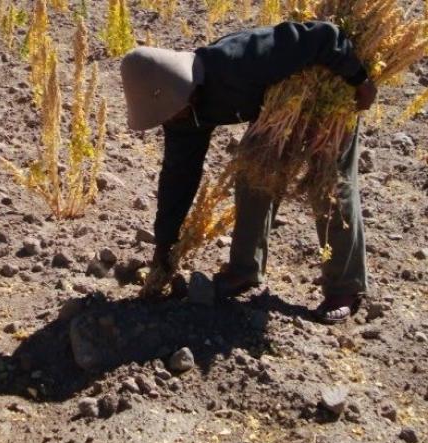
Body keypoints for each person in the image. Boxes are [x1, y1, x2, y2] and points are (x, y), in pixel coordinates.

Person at [120, 21, 378, 324]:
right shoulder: (184, 116)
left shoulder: (239, 61)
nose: (169, 119)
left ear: (181, 90)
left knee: (329, 188)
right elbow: (179, 178)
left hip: (331, 92)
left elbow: (323, 37)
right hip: (278, 110)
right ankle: (245, 269)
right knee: (253, 174)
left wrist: (361, 80)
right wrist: (165, 248)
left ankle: (344, 287)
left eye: (168, 112)